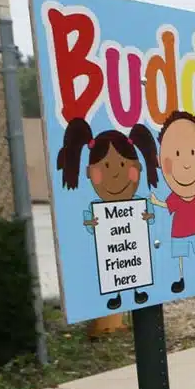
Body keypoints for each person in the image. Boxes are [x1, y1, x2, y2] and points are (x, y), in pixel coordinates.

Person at [56, 117, 159, 311]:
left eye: (122, 166)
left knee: (137, 268)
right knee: (113, 271)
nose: (114, 175)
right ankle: (116, 295)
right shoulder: (96, 207)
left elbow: (149, 212)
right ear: (89, 172)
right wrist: (91, 223)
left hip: (135, 249)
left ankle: (138, 291)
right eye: (105, 168)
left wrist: (148, 217)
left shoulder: (138, 203)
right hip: (112, 254)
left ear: (137, 168)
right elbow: (88, 221)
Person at [149, 110, 195, 294]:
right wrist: (157, 202)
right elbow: (169, 206)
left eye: (191, 152)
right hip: (179, 232)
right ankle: (180, 279)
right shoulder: (176, 196)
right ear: (161, 161)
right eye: (176, 154)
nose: (186, 163)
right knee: (181, 257)